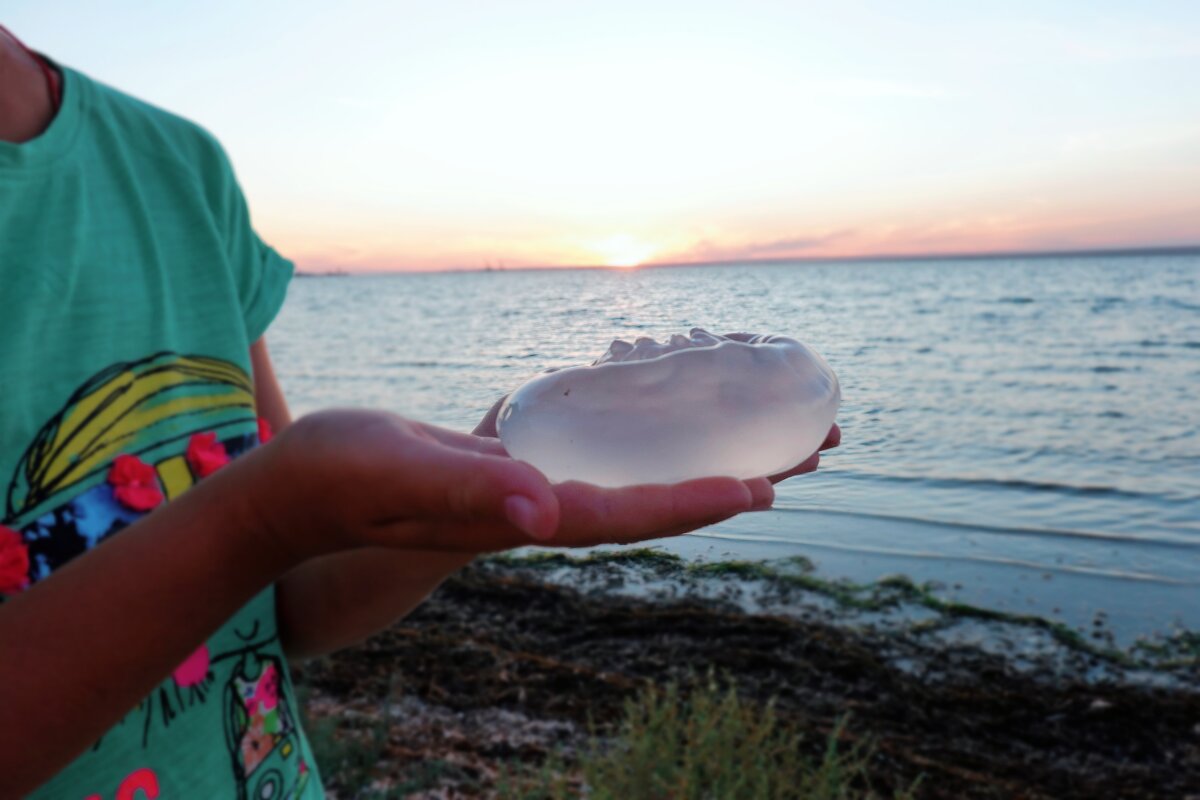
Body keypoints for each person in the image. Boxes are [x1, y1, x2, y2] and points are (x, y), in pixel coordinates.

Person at [0, 25, 839, 799]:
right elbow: (256, 530)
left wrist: (452, 517)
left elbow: (286, 605)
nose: (648, 361)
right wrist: (254, 519)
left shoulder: (176, 167)